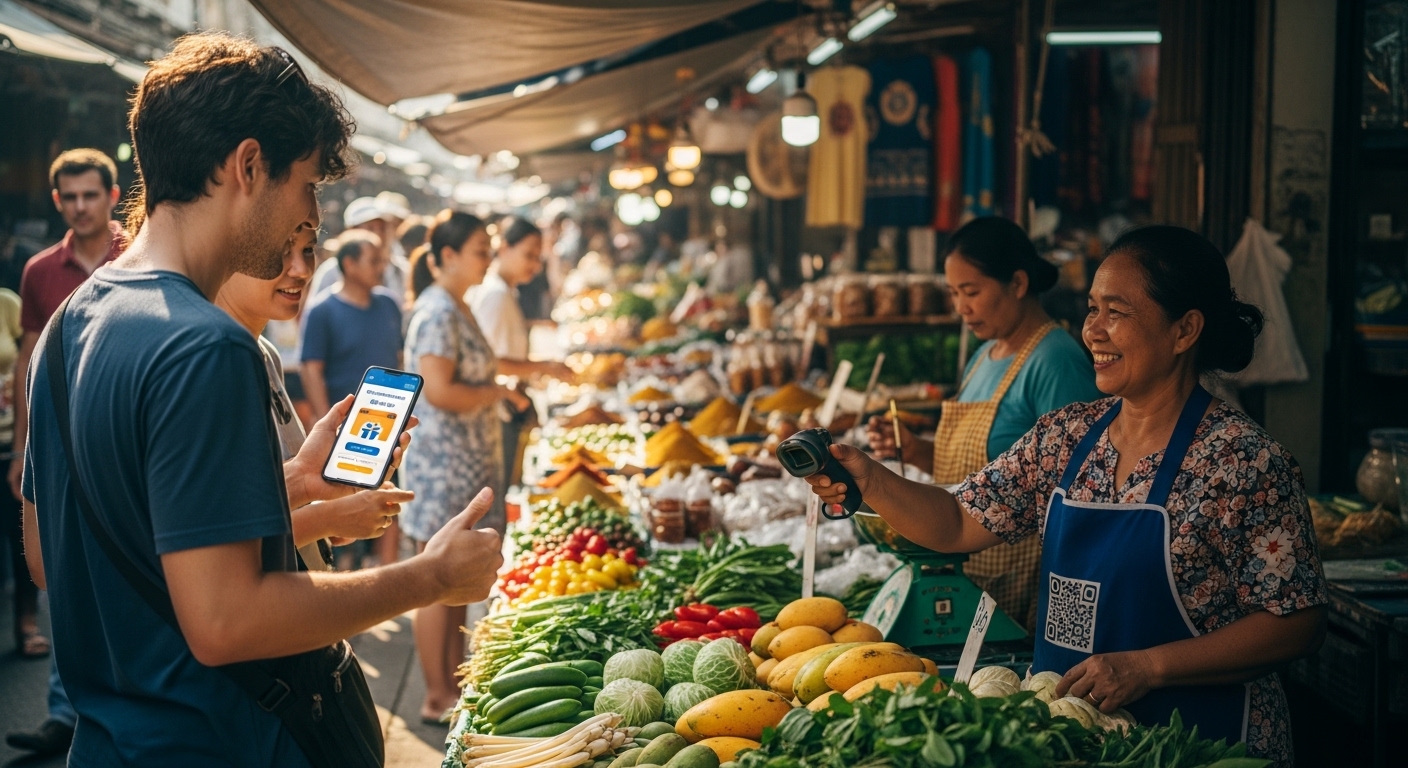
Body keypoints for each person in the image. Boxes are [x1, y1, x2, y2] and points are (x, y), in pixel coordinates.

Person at [21, 34, 503, 766]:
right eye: (306, 185)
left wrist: (294, 483)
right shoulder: (207, 346)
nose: (306, 217)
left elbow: (49, 556)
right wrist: (429, 577)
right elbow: (227, 621)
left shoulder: (68, 323)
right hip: (225, 744)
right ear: (248, 166)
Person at [805, 225, 1327, 767]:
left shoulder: (1243, 462)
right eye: (1092, 309)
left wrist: (1148, 667)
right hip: (1076, 745)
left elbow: (1297, 623)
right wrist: (869, 478)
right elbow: (957, 520)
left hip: (1203, 744)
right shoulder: (1064, 438)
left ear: (1184, 330)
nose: (1093, 331)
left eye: (1116, 312)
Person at [867, 216, 1101, 628]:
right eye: (954, 293)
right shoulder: (983, 357)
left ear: (1018, 283)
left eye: (971, 291)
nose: (961, 307)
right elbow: (978, 473)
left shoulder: (1055, 360)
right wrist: (917, 450)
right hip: (969, 575)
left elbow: (1082, 491)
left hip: (1024, 589)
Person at [6, 148, 127, 757]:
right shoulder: (38, 271)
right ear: (57, 201)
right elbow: (29, 361)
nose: (80, 206)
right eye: (70, 197)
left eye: (90, 195)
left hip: (121, 442)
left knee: (126, 574)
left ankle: (119, 705)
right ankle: (65, 710)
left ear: (113, 196)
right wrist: (22, 451)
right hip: (57, 447)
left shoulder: (137, 255)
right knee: (58, 575)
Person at [216, 224, 417, 569]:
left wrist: (318, 502)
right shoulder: (208, 361)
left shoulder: (265, 352)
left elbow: (270, 497)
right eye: (281, 253)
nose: (301, 270)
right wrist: (325, 518)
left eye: (308, 250)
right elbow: (221, 536)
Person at [402, 210, 531, 723]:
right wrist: (495, 393)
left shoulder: (457, 305)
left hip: (463, 466)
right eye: (480, 250)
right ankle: (436, 695)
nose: (488, 258)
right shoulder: (437, 310)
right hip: (443, 469)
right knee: (434, 580)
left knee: (452, 580)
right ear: (448, 256)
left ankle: (452, 686)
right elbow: (439, 390)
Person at [300, 230, 404, 566]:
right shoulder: (322, 311)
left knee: (388, 495)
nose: (382, 267)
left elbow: (398, 357)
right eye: (374, 261)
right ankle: (344, 572)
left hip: (389, 420)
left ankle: (387, 573)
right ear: (349, 264)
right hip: (344, 427)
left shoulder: (389, 304)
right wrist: (324, 420)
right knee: (342, 505)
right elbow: (311, 368)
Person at [468, 217, 574, 486]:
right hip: (498, 411)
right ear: (504, 248)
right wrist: (545, 366)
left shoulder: (504, 290)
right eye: (529, 255)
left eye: (538, 258)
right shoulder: (496, 294)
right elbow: (491, 362)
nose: (535, 266)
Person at [309, 194, 408, 303]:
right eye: (370, 228)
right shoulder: (332, 272)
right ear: (352, 231)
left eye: (382, 228)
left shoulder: (401, 270)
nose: (378, 234)